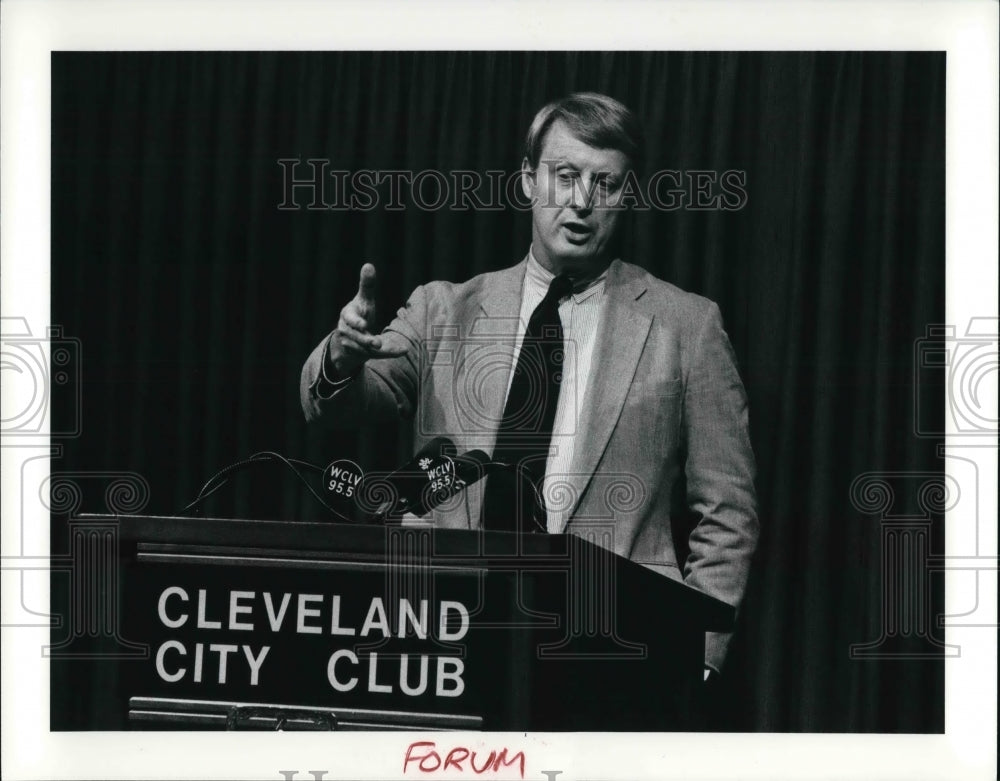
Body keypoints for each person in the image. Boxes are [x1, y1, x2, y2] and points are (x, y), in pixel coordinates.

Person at [300, 92, 758, 677]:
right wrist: (340, 361)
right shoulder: (444, 309)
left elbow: (728, 512)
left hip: (617, 649)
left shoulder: (687, 326)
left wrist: (700, 655)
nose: (581, 202)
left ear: (629, 194)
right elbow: (339, 408)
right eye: (565, 176)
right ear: (527, 181)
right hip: (446, 637)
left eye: (605, 184)